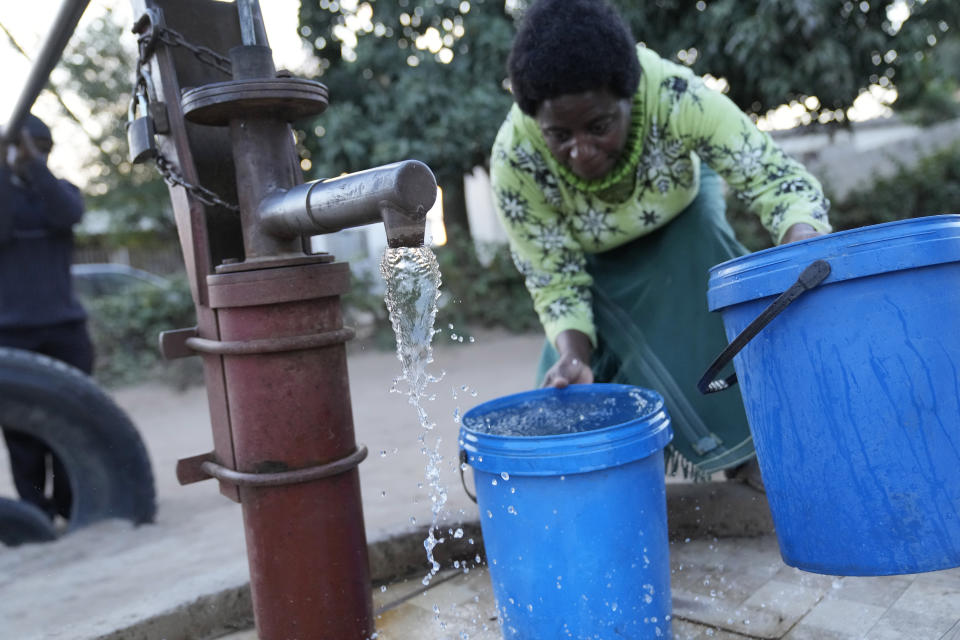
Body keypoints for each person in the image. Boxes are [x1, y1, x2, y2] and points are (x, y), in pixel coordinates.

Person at [490, 0, 831, 487]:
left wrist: (801, 246)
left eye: (599, 126)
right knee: (565, 398)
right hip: (592, 249)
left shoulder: (675, 95)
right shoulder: (515, 158)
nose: (581, 152)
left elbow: (775, 180)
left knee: (703, 297)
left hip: (682, 210)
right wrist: (574, 355)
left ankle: (751, 448)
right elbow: (553, 277)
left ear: (631, 96)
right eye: (559, 135)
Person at [0, 113, 92, 520]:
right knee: (22, 432)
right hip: (10, 334)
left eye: (41, 149)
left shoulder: (60, 192)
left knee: (73, 424)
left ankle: (71, 509)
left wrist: (34, 164)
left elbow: (68, 215)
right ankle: (35, 513)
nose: (34, 154)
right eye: (27, 147)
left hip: (65, 330)